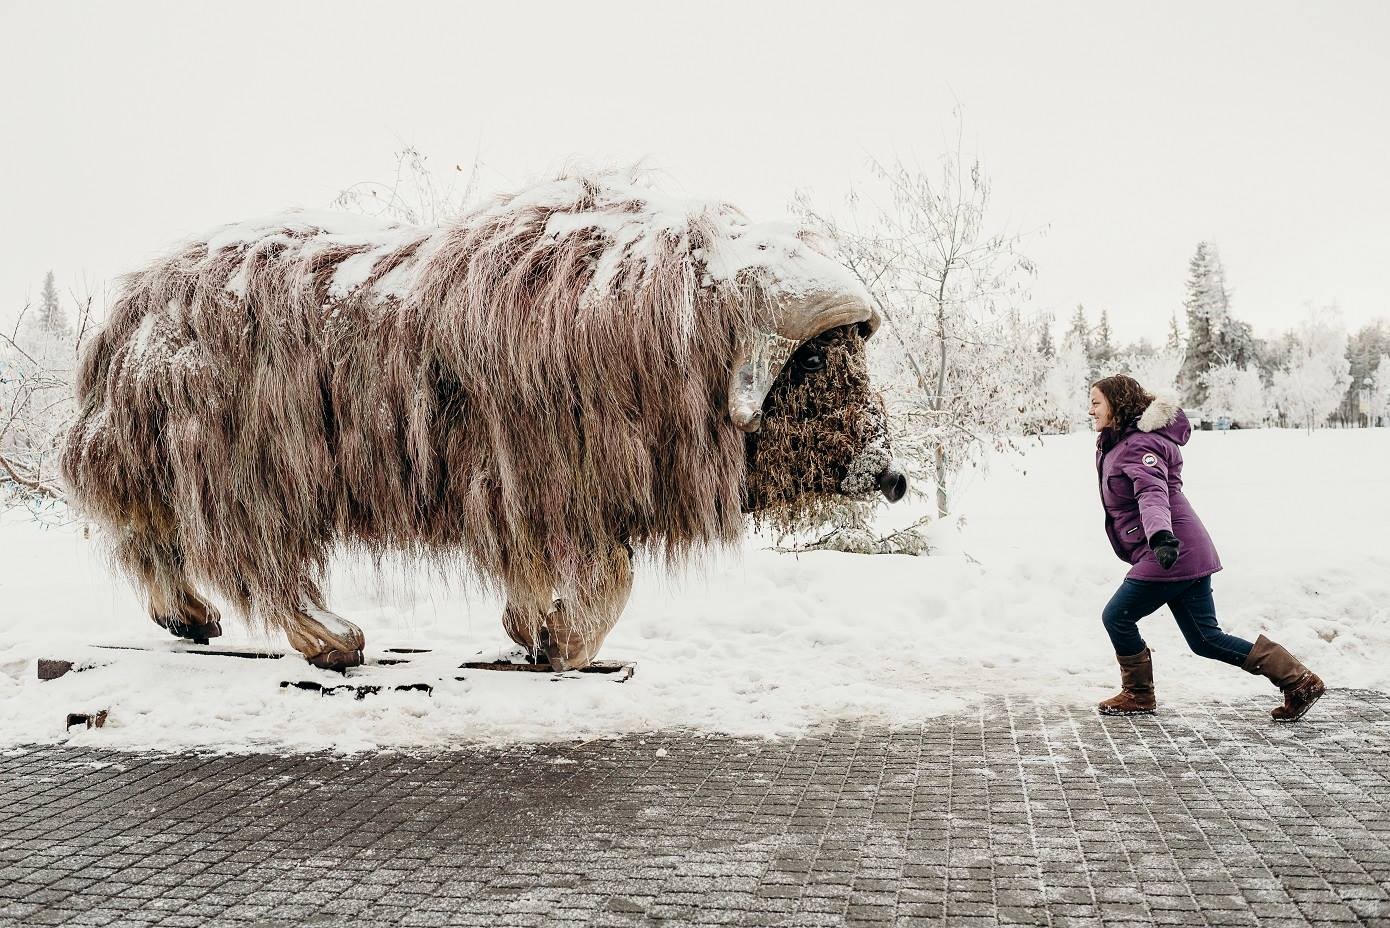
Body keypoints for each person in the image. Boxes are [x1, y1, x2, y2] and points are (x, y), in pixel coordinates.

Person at [1089, 375, 1325, 722]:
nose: (1090, 409)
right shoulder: (1120, 443)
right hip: (1183, 551)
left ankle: (1138, 694)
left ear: (1117, 403)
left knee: (1117, 616)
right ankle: (1299, 681)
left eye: (1096, 402)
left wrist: (1159, 536)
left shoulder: (1138, 446)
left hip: (1171, 552)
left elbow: (1152, 494)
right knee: (1206, 640)